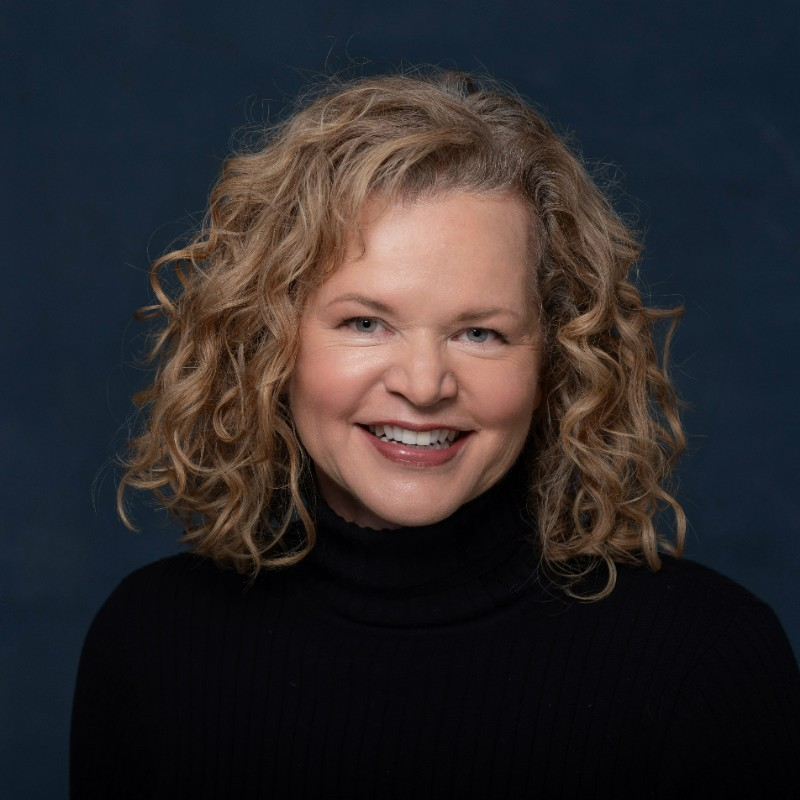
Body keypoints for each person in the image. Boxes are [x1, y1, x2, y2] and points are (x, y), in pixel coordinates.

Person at [71, 70, 799, 799]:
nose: (424, 385)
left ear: (556, 359)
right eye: (366, 323)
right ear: (268, 340)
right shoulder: (149, 643)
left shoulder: (705, 659)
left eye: (480, 333)